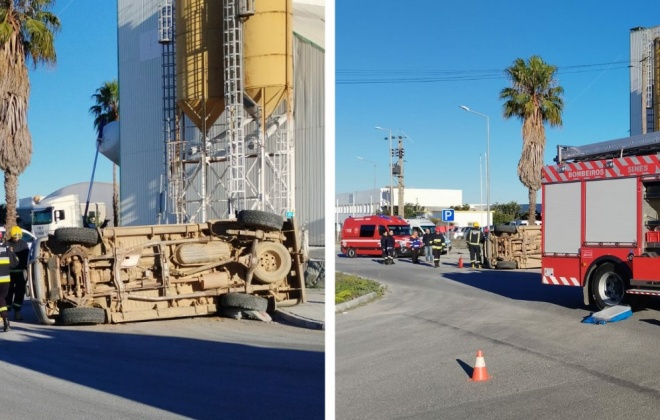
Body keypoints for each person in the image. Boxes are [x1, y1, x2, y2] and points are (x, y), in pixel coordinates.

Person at [7, 226, 29, 321]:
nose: (17, 239)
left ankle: (17, 311)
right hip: (8, 273)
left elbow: (27, 258)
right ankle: (5, 313)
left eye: (18, 237)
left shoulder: (23, 244)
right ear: (11, 236)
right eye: (15, 237)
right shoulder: (6, 244)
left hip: (20, 272)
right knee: (8, 292)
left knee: (20, 292)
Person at [0, 230, 18, 331]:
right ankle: (5, 320)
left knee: (1, 300)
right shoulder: (6, 248)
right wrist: (12, 252)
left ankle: (6, 320)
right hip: (5, 280)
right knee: (2, 299)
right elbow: (14, 263)